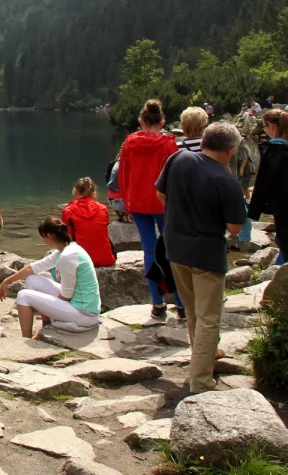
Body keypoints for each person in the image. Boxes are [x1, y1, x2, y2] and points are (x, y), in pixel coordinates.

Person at [157, 123, 247, 394]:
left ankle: (202, 357)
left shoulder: (178, 159)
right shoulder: (227, 181)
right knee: (209, 317)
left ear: (204, 141)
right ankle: (201, 381)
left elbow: (160, 193)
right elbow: (235, 227)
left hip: (175, 246)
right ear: (231, 151)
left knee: (193, 309)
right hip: (206, 253)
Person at [117, 98, 183, 318]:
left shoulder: (129, 144)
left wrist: (127, 204)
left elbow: (123, 176)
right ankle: (181, 304)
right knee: (171, 250)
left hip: (138, 203)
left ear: (141, 121)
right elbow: (175, 178)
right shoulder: (169, 145)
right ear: (162, 122)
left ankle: (158, 303)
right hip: (164, 203)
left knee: (149, 251)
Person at [0, 218, 101, 337]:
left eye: (43, 237)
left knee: (23, 296)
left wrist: (45, 304)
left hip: (84, 314)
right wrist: (7, 281)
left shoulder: (67, 256)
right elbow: (33, 268)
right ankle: (46, 324)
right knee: (32, 279)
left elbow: (66, 295)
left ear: (49, 236)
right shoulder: (67, 250)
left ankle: (25, 339)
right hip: (80, 305)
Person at [248, 109, 288, 266]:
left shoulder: (274, 149)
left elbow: (263, 181)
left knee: (283, 239)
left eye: (264, 126)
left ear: (272, 125)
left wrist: (254, 210)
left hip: (282, 204)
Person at [61, 177, 116, 268]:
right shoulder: (103, 208)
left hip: (82, 261)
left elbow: (69, 237)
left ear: (75, 191)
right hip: (106, 259)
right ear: (93, 192)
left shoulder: (69, 210)